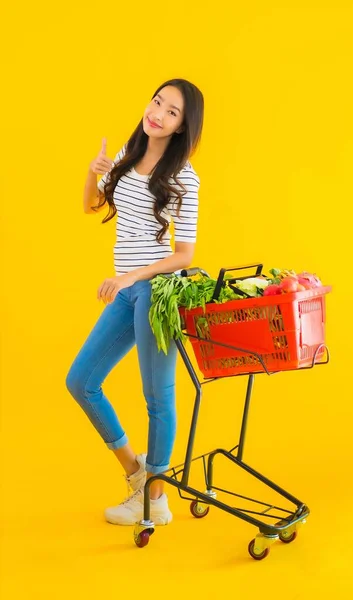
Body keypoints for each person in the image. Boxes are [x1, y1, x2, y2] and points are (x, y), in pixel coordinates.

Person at [66, 78, 204, 526]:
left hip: (160, 292)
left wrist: (131, 274)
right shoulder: (126, 161)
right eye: (157, 101)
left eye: (171, 112)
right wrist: (93, 171)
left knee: (157, 397)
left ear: (182, 127)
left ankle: (157, 500)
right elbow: (91, 206)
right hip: (128, 290)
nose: (158, 113)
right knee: (81, 381)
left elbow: (184, 255)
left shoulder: (184, 177)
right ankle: (136, 474)